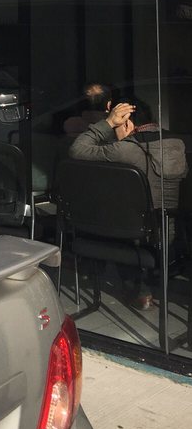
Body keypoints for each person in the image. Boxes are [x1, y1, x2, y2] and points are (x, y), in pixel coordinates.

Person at [68, 95, 188, 308]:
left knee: (107, 212)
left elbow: (77, 150)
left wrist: (107, 123)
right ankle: (140, 288)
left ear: (126, 123)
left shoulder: (125, 150)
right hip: (171, 238)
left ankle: (132, 287)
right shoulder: (177, 145)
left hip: (135, 236)